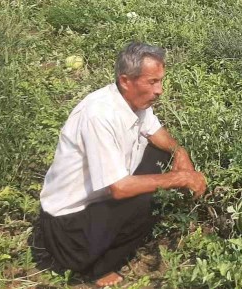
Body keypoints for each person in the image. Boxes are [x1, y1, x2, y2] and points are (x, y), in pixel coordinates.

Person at [36, 42, 207, 287]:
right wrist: (181, 178)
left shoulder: (132, 100)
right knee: (149, 200)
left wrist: (180, 152)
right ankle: (96, 267)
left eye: (160, 81)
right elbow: (119, 188)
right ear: (126, 81)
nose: (160, 90)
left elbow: (155, 131)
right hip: (69, 231)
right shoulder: (99, 116)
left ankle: (107, 241)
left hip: (97, 201)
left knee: (161, 156)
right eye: (152, 82)